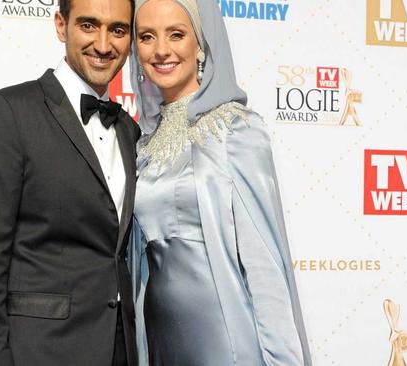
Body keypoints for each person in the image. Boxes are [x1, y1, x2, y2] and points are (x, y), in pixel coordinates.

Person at [128, 0, 313, 365]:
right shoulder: (142, 144)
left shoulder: (235, 130)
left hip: (223, 340)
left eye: (176, 34)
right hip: (159, 339)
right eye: (147, 36)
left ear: (201, 43)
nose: (161, 50)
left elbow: (264, 264)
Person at [0, 0, 139, 365]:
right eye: (89, 25)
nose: (104, 45)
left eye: (117, 30)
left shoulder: (129, 131)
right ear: (60, 24)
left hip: (120, 350)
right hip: (38, 351)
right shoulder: (8, 112)